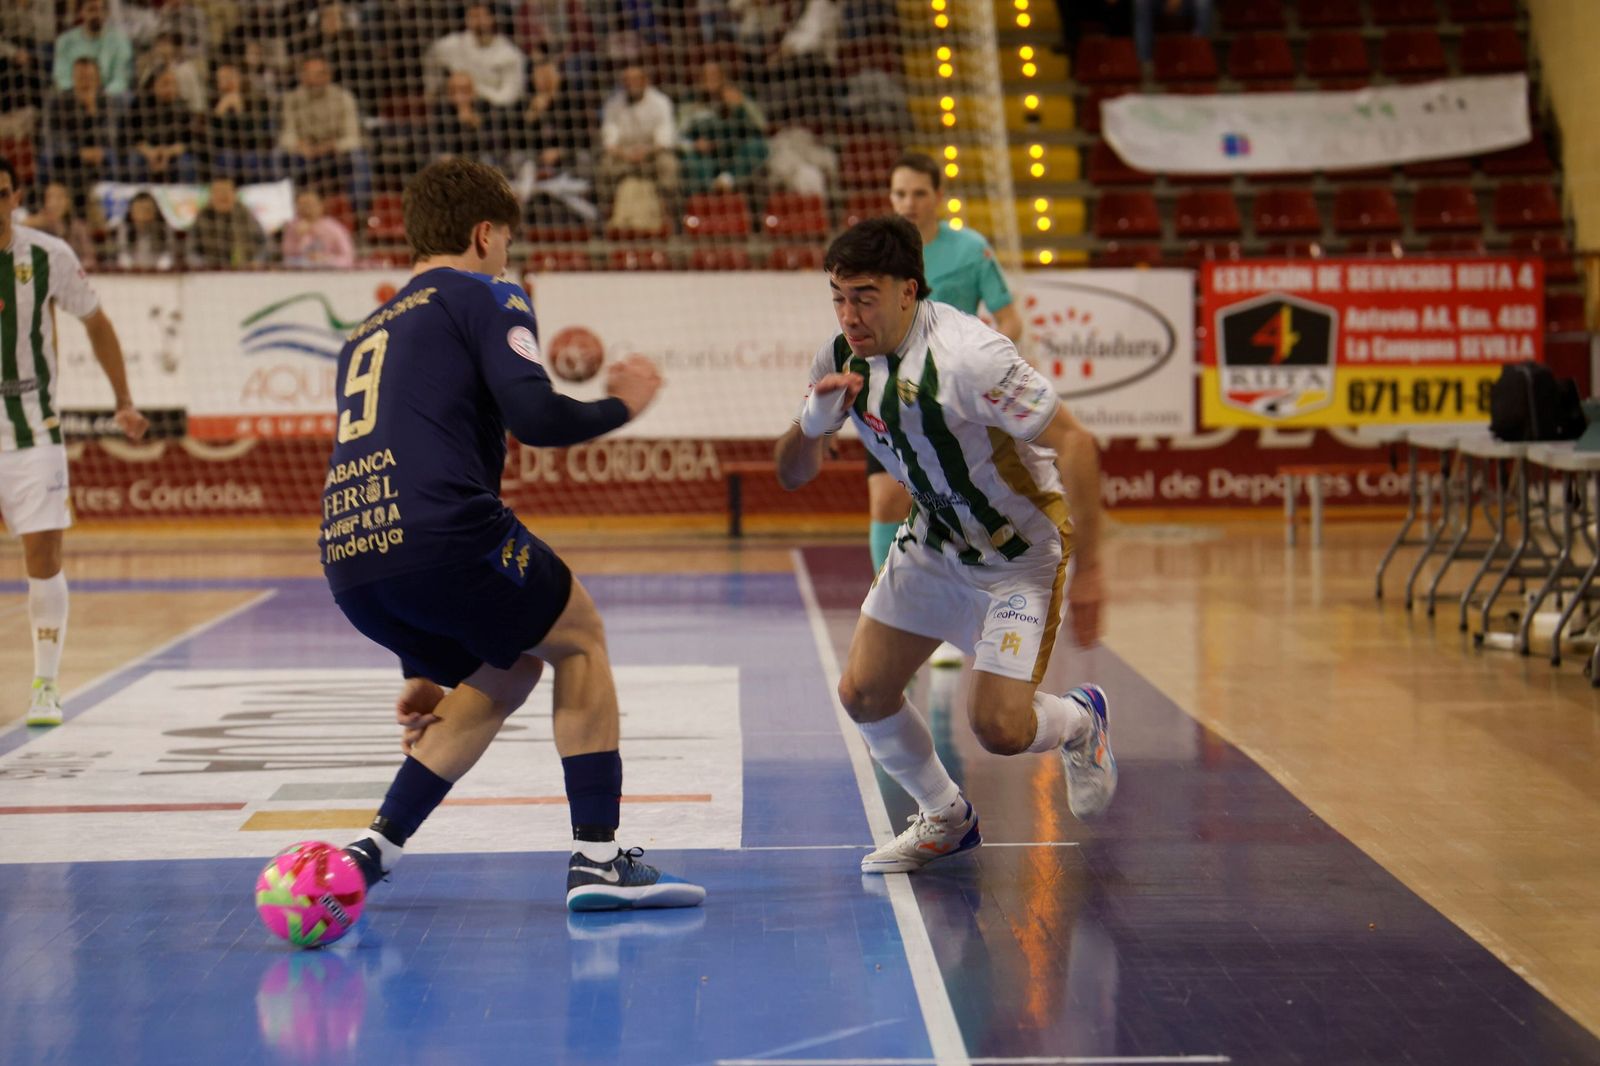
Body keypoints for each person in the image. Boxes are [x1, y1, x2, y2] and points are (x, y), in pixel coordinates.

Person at [320, 157, 704, 913]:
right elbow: (536, 417)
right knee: (580, 638)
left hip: (350, 560)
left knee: (510, 668)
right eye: (506, 243)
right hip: (442, 532)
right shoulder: (488, 293)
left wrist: (418, 664)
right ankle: (599, 861)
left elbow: (388, 461)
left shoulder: (365, 332)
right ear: (484, 234)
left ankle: (374, 849)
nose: (507, 258)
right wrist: (622, 406)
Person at [773, 215, 1115, 873]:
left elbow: (1076, 442)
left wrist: (1095, 571)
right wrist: (811, 426)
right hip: (932, 541)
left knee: (999, 728)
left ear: (909, 290)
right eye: (839, 297)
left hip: (1018, 556)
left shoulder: (970, 357)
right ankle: (946, 817)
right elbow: (791, 475)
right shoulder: (840, 358)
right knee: (862, 693)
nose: (849, 315)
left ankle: (1080, 720)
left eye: (865, 297)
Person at [0, 155, 149, 726]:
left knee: (43, 554)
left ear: (16, 197)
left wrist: (124, 399)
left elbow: (97, 322)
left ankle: (45, 683)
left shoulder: (47, 255)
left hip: (33, 428)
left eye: (2, 193)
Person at [877, 151, 1023, 667]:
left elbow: (1008, 317)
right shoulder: (883, 254)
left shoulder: (970, 249)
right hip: (892, 398)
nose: (909, 203)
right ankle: (893, 615)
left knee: (955, 509)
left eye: (919, 193)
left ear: (939, 197)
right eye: (900, 194)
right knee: (885, 501)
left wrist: (988, 367)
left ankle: (959, 617)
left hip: (953, 404)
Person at [596, 63, 677, 222]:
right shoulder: (613, 103)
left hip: (652, 155)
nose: (630, 84)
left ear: (645, 80)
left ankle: (672, 215)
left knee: (668, 164)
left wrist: (646, 152)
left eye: (635, 79)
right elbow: (609, 139)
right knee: (604, 166)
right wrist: (625, 154)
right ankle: (604, 217)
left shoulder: (661, 102)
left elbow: (664, 140)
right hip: (622, 156)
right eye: (626, 80)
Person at [188, 176, 268, 267]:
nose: (222, 196)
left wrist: (256, 262)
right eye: (218, 192)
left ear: (235, 194)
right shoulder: (203, 216)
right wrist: (202, 265)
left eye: (226, 191)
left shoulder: (245, 214)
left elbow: (264, 244)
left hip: (244, 269)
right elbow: (191, 250)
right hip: (212, 269)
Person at [23, 181, 97, 267]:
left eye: (59, 198)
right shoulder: (36, 226)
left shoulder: (79, 227)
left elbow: (90, 259)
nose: (53, 203)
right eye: (49, 197)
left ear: (68, 202)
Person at [281, 186, 354, 267]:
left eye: (310, 204)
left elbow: (348, 257)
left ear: (321, 205)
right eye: (302, 204)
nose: (306, 209)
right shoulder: (292, 226)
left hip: (328, 270)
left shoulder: (333, 227)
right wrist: (300, 237)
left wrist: (327, 260)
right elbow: (287, 255)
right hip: (301, 271)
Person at [113, 188, 176, 269]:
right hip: (132, 273)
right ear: (131, 212)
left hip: (158, 273)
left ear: (155, 212)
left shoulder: (164, 228)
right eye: (138, 210)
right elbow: (123, 256)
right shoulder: (125, 228)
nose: (142, 215)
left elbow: (168, 256)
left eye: (147, 210)